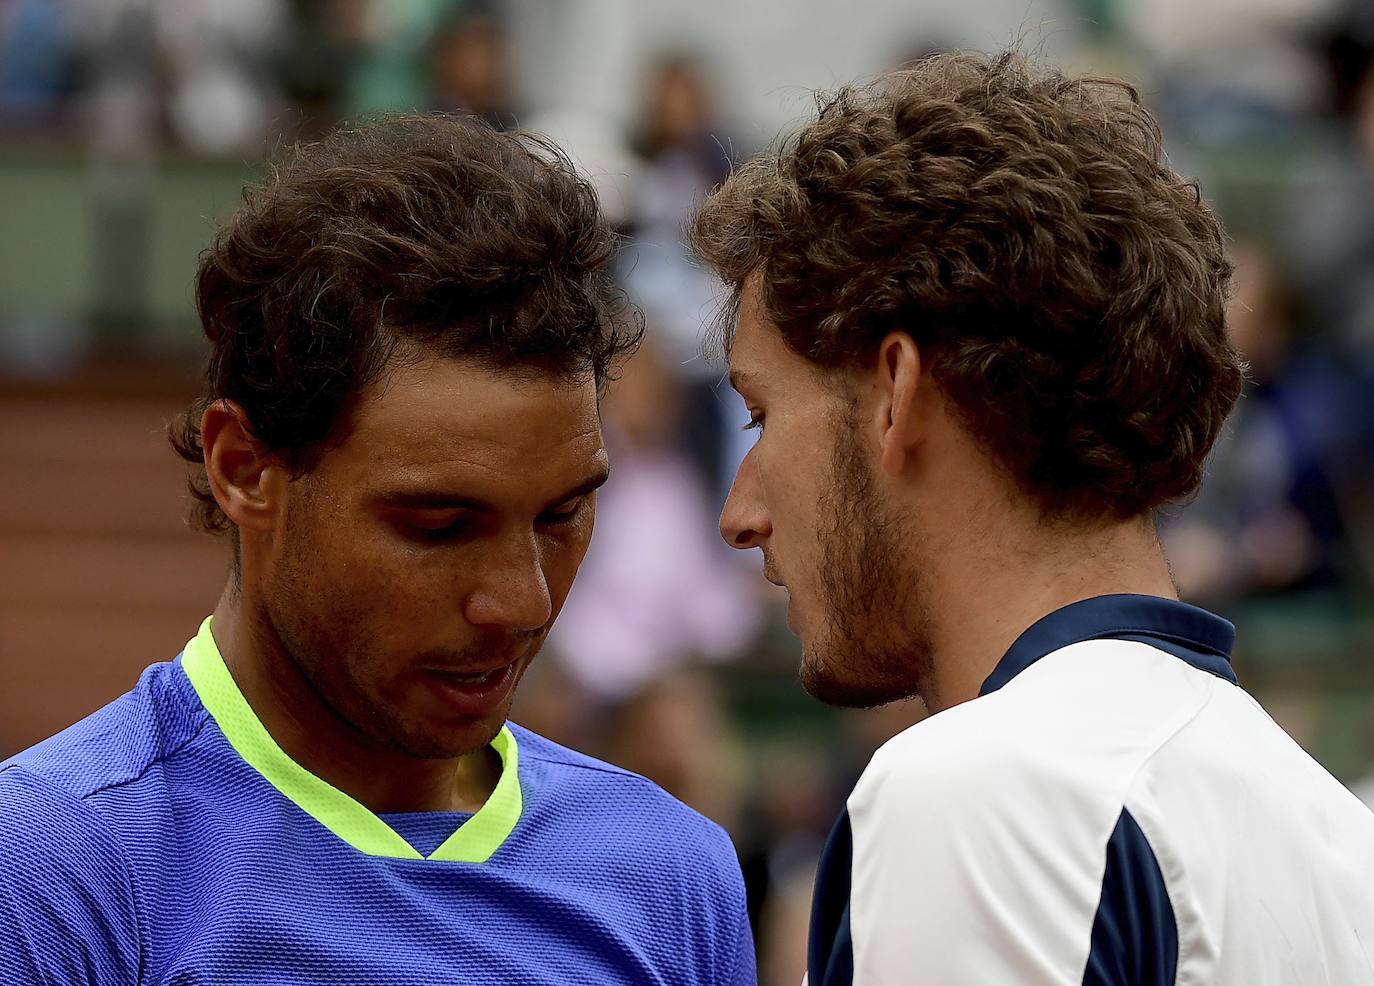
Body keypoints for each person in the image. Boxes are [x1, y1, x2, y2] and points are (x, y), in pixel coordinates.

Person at [0, 114, 756, 985]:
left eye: (562, 516)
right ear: (245, 468)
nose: (523, 602)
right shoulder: (52, 871)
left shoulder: (675, 877)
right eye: (438, 526)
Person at [691, 50, 1374, 985]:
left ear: (895, 392)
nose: (740, 512)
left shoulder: (977, 790)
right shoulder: (1338, 832)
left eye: (762, 417)